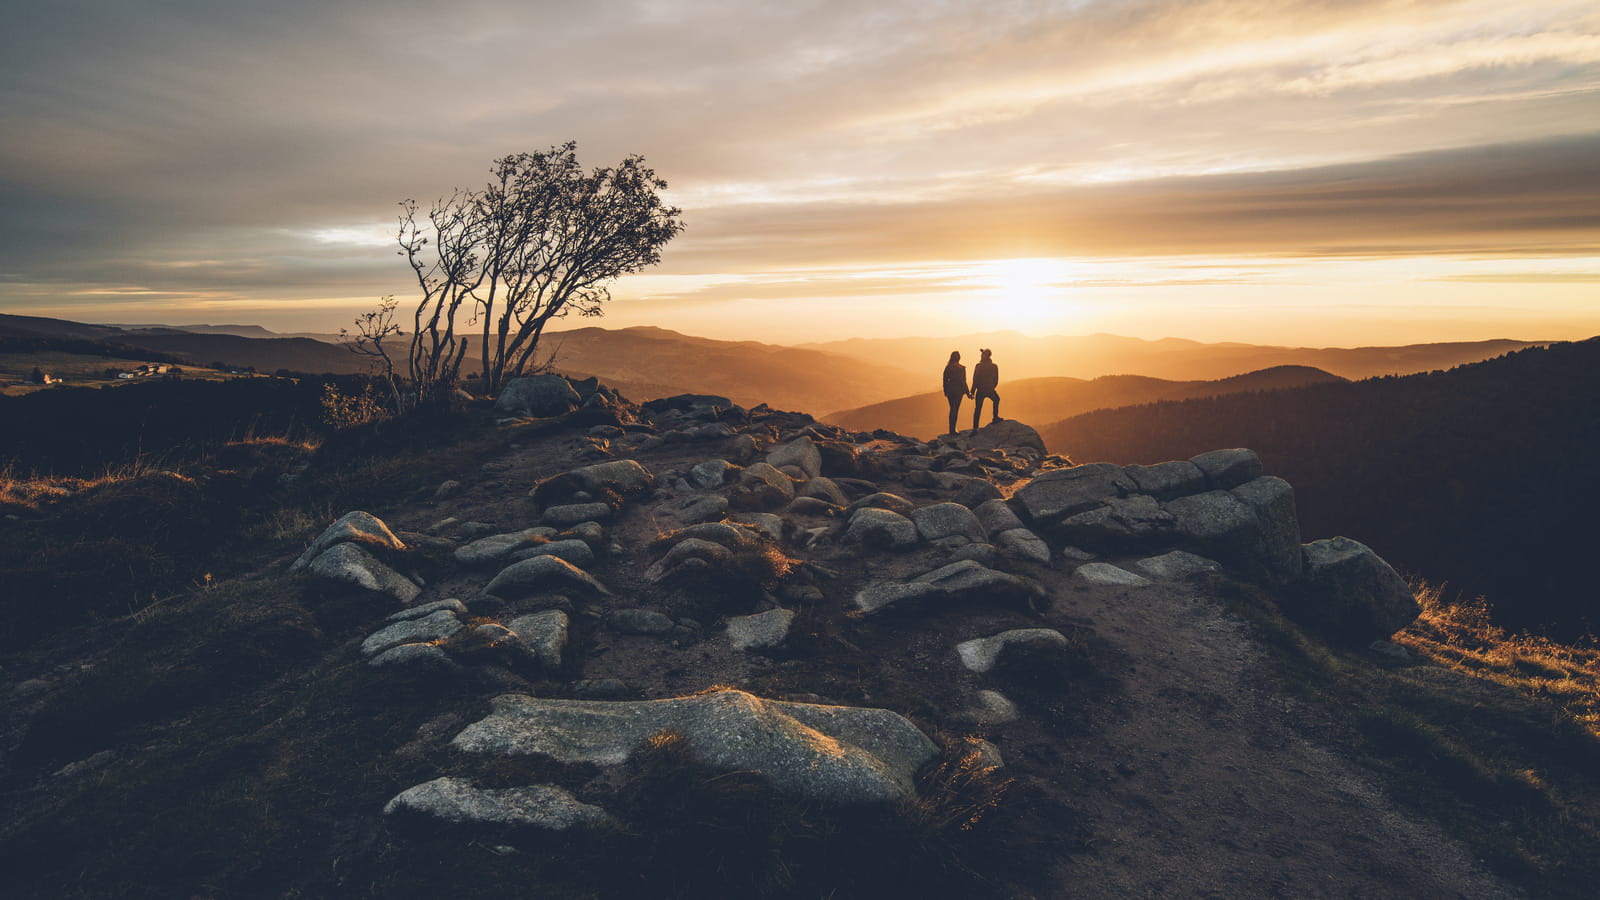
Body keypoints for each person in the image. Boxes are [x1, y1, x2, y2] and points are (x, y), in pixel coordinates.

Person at [942, 350, 970, 435]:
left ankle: (951, 429)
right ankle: (953, 430)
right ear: (959, 358)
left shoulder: (948, 367)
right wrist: (968, 393)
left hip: (950, 391)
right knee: (955, 410)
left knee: (952, 409)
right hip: (958, 391)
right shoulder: (961, 368)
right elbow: (963, 381)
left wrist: (945, 390)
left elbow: (945, 380)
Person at [972, 348, 1000, 430]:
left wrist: (972, 391)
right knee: (997, 399)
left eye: (982, 354)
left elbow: (975, 379)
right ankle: (995, 417)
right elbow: (996, 380)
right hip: (990, 389)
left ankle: (975, 428)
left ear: (985, 356)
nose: (981, 355)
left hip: (980, 390)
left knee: (977, 409)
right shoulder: (994, 366)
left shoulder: (979, 366)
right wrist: (992, 387)